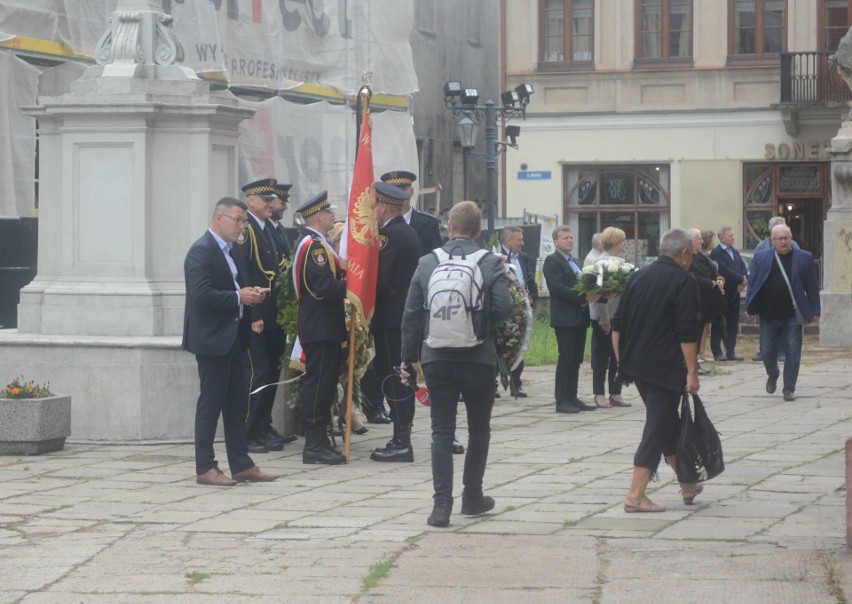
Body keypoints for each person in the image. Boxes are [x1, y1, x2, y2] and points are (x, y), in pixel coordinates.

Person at [399, 201, 513, 527]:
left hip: (437, 357)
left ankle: (441, 506)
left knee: (441, 431)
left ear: (448, 226)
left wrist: (408, 358)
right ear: (478, 231)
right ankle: (473, 497)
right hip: (478, 359)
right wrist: (483, 328)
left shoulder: (427, 262)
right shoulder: (490, 262)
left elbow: (411, 314)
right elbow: (504, 306)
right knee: (479, 429)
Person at [183, 197, 278, 486]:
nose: (242, 226)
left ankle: (241, 463)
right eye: (238, 220)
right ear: (219, 218)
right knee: (211, 403)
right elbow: (202, 295)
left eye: (245, 221)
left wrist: (250, 293)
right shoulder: (201, 251)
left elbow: (235, 286)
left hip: (235, 338)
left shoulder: (233, 251)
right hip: (212, 340)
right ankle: (205, 467)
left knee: (237, 403)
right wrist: (239, 297)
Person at [611, 228, 701, 512]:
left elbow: (617, 324)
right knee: (656, 427)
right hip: (665, 368)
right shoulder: (683, 280)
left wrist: (620, 362)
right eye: (692, 255)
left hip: (638, 366)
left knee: (667, 423)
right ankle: (635, 495)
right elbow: (687, 333)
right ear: (684, 254)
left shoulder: (639, 276)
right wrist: (692, 371)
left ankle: (688, 482)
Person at [382, 170, 464, 455]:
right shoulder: (382, 228)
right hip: (398, 313)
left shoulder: (426, 224)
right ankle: (402, 431)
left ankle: (446, 432)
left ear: (411, 192)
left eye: (403, 190)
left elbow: (439, 266)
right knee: (400, 374)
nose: (400, 196)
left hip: (426, 311)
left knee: (436, 373)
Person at [232, 178, 290, 454]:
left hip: (272, 312)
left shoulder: (265, 228)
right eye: (265, 199)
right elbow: (245, 272)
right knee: (258, 372)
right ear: (251, 200)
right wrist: (254, 313)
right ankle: (247, 431)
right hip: (257, 313)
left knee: (270, 371)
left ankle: (262, 426)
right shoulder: (248, 230)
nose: (270, 203)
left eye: (271, 199)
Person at [367, 183, 423, 463]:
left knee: (395, 378)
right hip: (401, 316)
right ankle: (402, 437)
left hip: (390, 317)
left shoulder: (391, 235)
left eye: (374, 205)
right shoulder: (406, 231)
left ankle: (402, 442)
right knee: (402, 376)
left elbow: (381, 279)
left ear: (384, 207)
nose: (372, 211)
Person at [292, 191, 347, 465]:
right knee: (318, 384)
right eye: (329, 211)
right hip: (321, 326)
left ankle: (319, 439)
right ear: (318, 216)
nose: (333, 215)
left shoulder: (319, 243)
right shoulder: (315, 247)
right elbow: (321, 286)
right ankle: (313, 443)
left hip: (324, 325)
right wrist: (353, 287)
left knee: (324, 384)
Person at [745, 225, 820, 402]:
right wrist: (748, 305)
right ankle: (773, 373)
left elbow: (812, 286)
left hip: (793, 315)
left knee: (793, 352)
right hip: (768, 313)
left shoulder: (804, 257)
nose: (783, 242)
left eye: (786, 238)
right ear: (772, 241)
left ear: (791, 238)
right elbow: (753, 282)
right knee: (767, 350)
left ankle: (789, 388)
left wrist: (815, 310)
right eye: (779, 239)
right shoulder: (762, 257)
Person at [542, 226, 598, 414]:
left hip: (580, 317)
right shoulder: (552, 261)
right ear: (555, 242)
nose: (570, 240)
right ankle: (562, 399)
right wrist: (584, 296)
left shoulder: (576, 262)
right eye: (565, 238)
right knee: (566, 358)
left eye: (572, 237)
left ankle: (572, 397)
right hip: (565, 318)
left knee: (576, 359)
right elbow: (557, 287)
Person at [589, 227, 631, 408]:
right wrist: (604, 320)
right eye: (623, 241)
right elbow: (599, 294)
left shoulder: (621, 262)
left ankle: (616, 391)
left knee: (617, 355)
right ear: (614, 243)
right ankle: (599, 393)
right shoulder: (599, 263)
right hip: (603, 317)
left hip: (619, 316)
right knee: (602, 356)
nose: (625, 243)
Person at [499, 226, 538, 397]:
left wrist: (532, 298)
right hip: (502, 309)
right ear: (508, 241)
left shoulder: (523, 257)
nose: (523, 243)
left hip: (521, 310)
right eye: (519, 240)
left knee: (520, 345)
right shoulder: (494, 255)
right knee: (498, 345)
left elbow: (530, 279)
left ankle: (516, 382)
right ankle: (492, 385)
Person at [752, 216, 796, 362]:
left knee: (785, 326)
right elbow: (755, 275)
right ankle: (765, 352)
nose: (784, 239)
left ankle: (782, 351)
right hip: (767, 298)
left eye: (787, 235)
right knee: (766, 327)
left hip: (787, 296)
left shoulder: (794, 245)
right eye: (782, 229)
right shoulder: (762, 247)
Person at [687, 228, 726, 377]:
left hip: (707, 303)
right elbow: (693, 277)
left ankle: (695, 363)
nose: (702, 241)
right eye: (698, 238)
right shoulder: (689, 257)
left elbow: (714, 272)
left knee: (699, 332)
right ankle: (692, 365)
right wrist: (711, 283)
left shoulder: (701, 256)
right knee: (694, 335)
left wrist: (719, 280)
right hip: (697, 302)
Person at [710, 226, 748, 362]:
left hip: (735, 292)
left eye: (733, 235)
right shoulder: (716, 253)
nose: (733, 237)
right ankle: (717, 351)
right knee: (718, 323)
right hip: (722, 293)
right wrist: (740, 279)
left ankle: (730, 351)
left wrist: (744, 280)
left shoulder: (735, 252)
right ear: (722, 238)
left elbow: (742, 267)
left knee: (733, 322)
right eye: (730, 236)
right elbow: (724, 270)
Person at [698, 230, 718, 362]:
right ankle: (700, 352)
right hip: (702, 294)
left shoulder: (707, 256)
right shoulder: (699, 257)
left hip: (711, 293)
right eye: (713, 240)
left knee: (706, 325)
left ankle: (702, 351)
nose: (714, 242)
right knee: (701, 325)